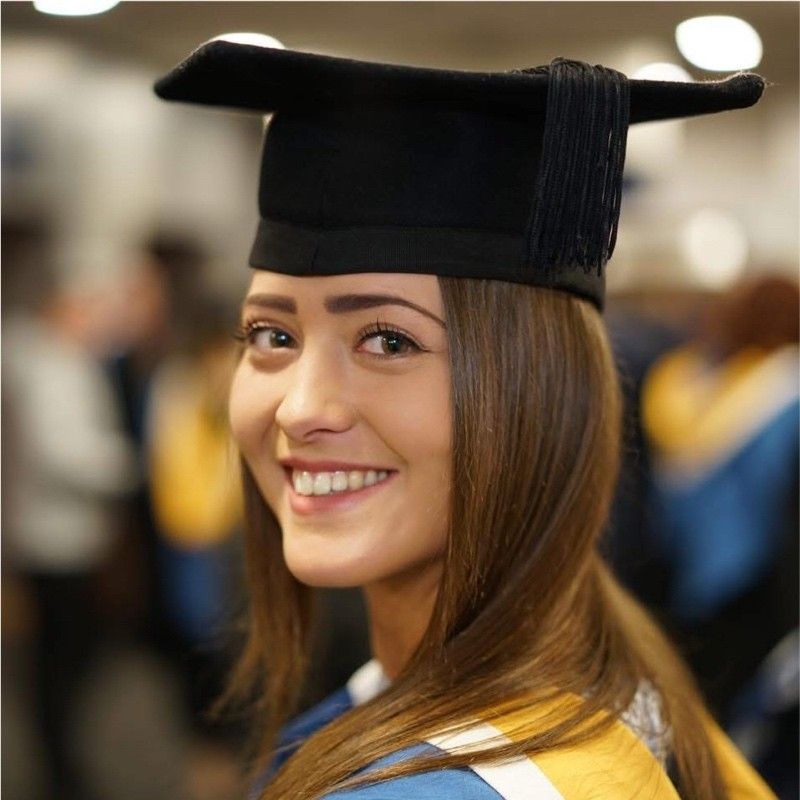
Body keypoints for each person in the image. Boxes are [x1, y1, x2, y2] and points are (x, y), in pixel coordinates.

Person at [154, 40, 775, 799]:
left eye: (389, 341)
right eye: (271, 336)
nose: (301, 407)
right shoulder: (625, 691)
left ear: (536, 390)